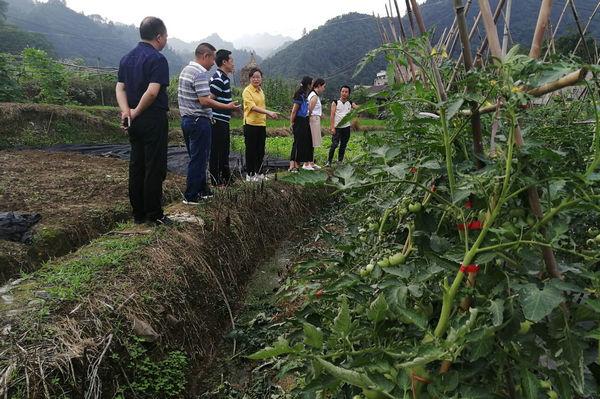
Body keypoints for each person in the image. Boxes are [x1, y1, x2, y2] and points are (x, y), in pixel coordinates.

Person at [116, 16, 171, 225]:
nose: (166, 40)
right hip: (151, 118)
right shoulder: (157, 59)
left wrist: (126, 113)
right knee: (154, 166)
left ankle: (138, 214)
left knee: (136, 164)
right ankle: (154, 215)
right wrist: (136, 111)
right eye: (165, 36)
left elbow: (120, 88)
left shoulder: (127, 58)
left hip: (133, 120)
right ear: (158, 37)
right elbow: (152, 91)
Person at [178, 43, 239, 204]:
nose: (213, 62)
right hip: (198, 120)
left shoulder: (186, 70)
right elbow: (205, 100)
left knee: (199, 157)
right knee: (199, 159)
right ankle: (191, 196)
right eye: (212, 57)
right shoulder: (199, 73)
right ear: (205, 56)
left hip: (187, 119)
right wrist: (228, 107)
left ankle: (203, 190)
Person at [242, 67, 278, 181]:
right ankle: (250, 174)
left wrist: (267, 115)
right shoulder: (247, 91)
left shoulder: (261, 91)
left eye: (258, 77)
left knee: (260, 150)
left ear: (261, 79)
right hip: (250, 124)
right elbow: (252, 107)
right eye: (253, 77)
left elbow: (261, 106)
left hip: (261, 124)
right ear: (250, 78)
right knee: (251, 150)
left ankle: (259, 173)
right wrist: (268, 112)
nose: (256, 79)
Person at [209, 49, 235, 187]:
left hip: (223, 120)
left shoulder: (223, 78)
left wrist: (230, 106)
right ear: (224, 62)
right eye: (231, 61)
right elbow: (209, 100)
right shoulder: (219, 78)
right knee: (218, 151)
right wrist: (228, 107)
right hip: (217, 120)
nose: (233, 64)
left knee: (224, 150)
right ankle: (216, 181)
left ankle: (225, 178)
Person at [327, 85, 360, 166]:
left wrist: (365, 107)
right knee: (334, 145)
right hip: (337, 128)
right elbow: (332, 115)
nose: (344, 93)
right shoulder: (335, 102)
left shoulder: (350, 103)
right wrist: (332, 127)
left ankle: (340, 161)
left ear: (348, 93)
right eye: (343, 91)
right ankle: (329, 161)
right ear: (340, 92)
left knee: (343, 145)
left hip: (346, 128)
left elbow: (359, 108)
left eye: (346, 92)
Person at [289, 76, 313, 172]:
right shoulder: (299, 95)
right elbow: (294, 111)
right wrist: (291, 123)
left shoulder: (304, 94)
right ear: (308, 84)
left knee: (302, 143)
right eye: (311, 83)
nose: (312, 85)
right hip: (299, 121)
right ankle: (292, 165)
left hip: (304, 121)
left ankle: (297, 164)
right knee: (297, 142)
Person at [307, 78, 326, 170]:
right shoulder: (314, 96)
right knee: (311, 141)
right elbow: (309, 110)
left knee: (313, 142)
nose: (324, 89)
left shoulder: (314, 95)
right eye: (323, 86)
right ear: (319, 86)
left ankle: (311, 162)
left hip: (315, 119)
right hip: (313, 120)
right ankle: (308, 163)